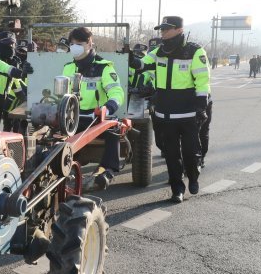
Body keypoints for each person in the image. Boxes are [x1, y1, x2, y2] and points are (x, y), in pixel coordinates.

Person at [138, 16, 210, 202]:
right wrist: (131, 60)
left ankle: (193, 177)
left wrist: (201, 107)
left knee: (189, 152)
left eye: (166, 29)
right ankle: (177, 189)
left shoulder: (194, 51)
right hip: (165, 112)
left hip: (188, 113)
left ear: (179, 29)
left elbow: (202, 81)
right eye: (161, 30)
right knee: (171, 155)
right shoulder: (158, 51)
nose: (162, 33)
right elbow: (142, 64)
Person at [64, 27, 124, 190]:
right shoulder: (68, 68)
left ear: (90, 44)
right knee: (51, 133)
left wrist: (108, 108)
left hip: (97, 118)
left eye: (79, 43)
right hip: (75, 118)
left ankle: (106, 172)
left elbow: (117, 92)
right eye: (72, 44)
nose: (74, 47)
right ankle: (63, 169)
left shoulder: (104, 67)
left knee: (113, 128)